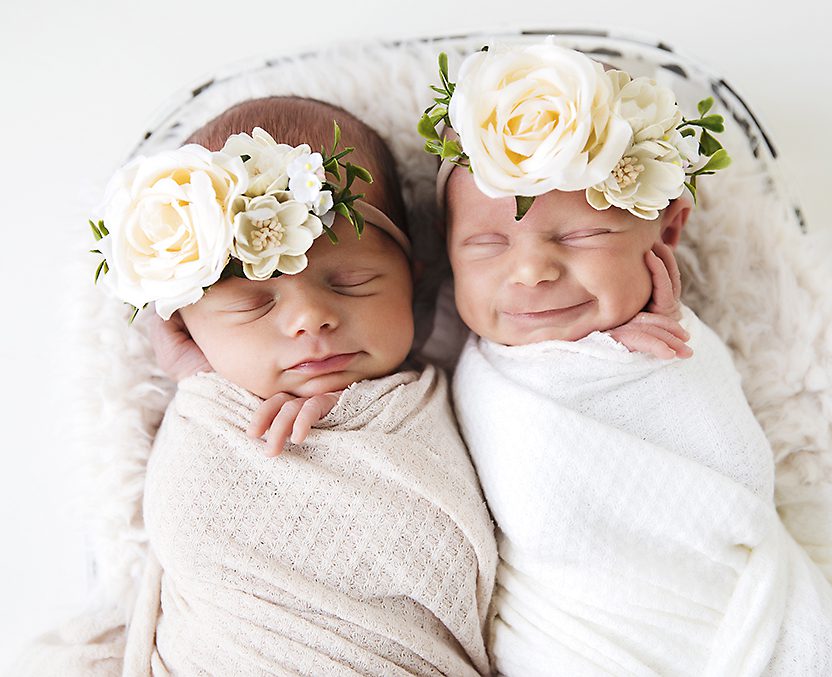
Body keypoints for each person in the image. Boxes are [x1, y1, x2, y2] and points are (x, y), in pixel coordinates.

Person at [13, 96, 499, 676]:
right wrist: (196, 371)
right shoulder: (209, 400)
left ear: (413, 280)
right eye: (253, 303)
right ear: (185, 323)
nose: (309, 319)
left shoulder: (457, 373)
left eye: (352, 282)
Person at [427, 41, 832, 675]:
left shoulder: (676, 351)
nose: (530, 270)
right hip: (575, 640)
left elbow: (739, 479)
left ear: (668, 232)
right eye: (486, 244)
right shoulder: (461, 366)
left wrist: (649, 372)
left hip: (726, 619)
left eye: (581, 235)